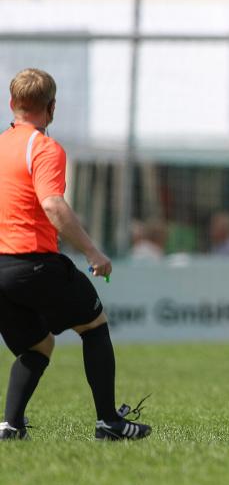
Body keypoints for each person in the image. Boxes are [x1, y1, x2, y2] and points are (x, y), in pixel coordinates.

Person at [0, 68, 151, 440]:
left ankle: (10, 426)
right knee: (94, 326)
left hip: (1, 268)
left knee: (38, 345)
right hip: (33, 262)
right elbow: (53, 206)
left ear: (11, 104)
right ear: (52, 107)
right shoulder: (44, 147)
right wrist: (93, 252)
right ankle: (109, 423)